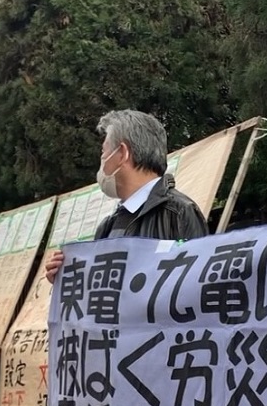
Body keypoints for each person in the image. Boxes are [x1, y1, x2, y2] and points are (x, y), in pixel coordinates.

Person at [45, 109, 209, 283]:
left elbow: (198, 289)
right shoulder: (107, 227)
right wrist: (68, 280)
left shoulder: (179, 213)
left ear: (122, 153)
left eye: (103, 152)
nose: (101, 161)